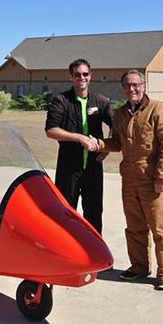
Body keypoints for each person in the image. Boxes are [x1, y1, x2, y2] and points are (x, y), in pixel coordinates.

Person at [91, 69, 163, 290]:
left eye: (136, 85)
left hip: (152, 180)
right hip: (129, 180)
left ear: (143, 86)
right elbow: (117, 143)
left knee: (159, 229)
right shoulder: (120, 114)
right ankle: (139, 266)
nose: (132, 89)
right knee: (134, 227)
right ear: (122, 88)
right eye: (128, 86)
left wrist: (161, 175)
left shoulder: (158, 109)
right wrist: (99, 144)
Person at [45, 58, 114, 234]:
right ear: (71, 77)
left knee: (94, 213)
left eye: (85, 74)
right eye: (77, 75)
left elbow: (117, 125)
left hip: (93, 167)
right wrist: (79, 138)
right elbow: (51, 130)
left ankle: (95, 256)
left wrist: (106, 146)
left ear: (90, 76)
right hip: (69, 167)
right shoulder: (61, 101)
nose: (81, 78)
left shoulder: (100, 101)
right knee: (66, 213)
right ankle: (64, 254)